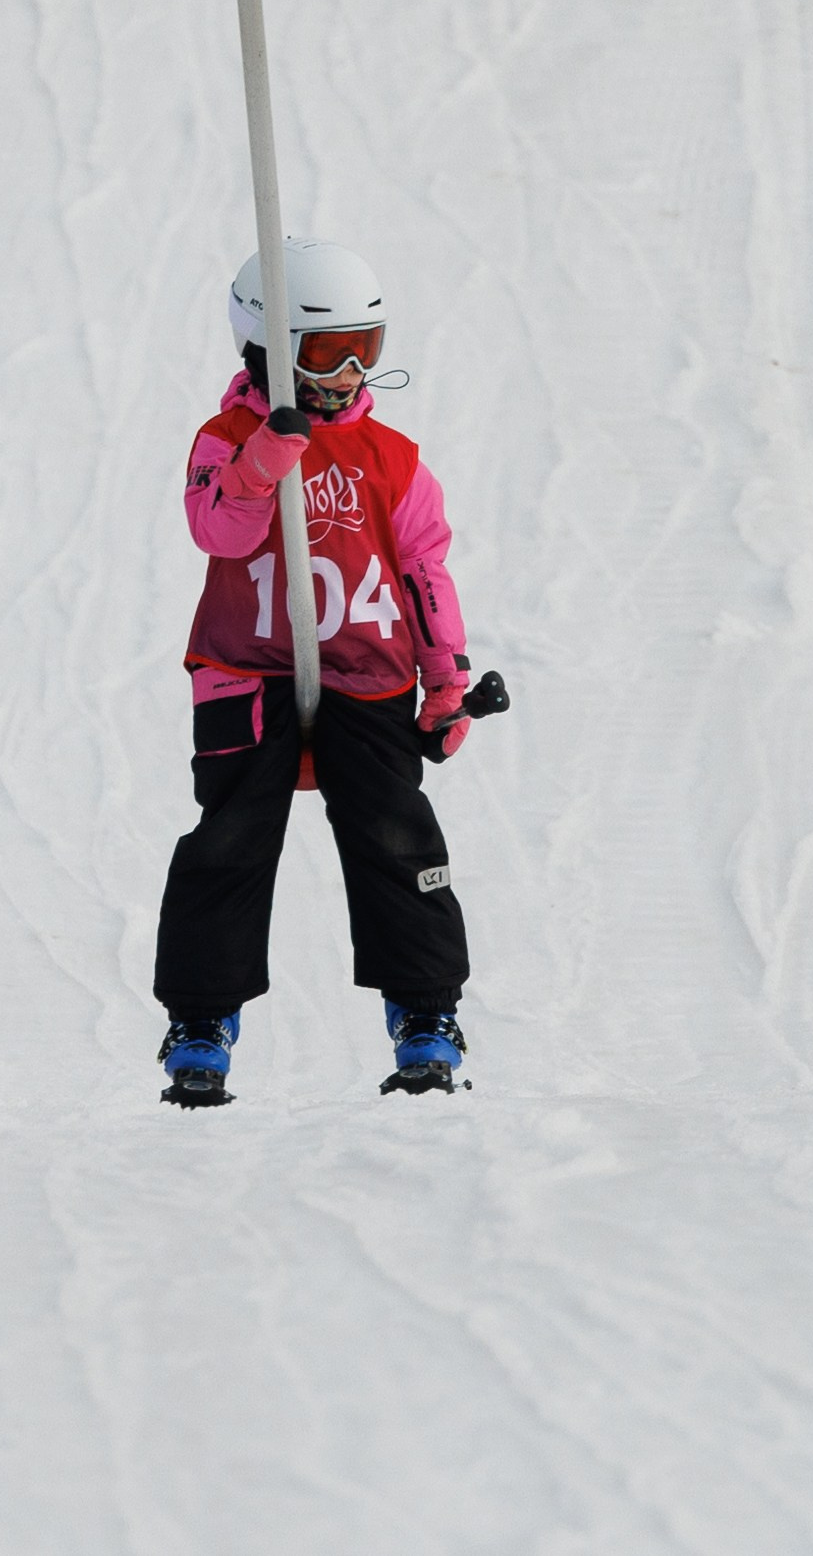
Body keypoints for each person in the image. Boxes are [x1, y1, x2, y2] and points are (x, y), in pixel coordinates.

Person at [153, 237, 485, 1106]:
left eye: (364, 350)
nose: (346, 372)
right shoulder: (221, 439)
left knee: (394, 831)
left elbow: (424, 569)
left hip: (367, 670)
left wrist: (445, 679)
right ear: (266, 348)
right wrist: (263, 461)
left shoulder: (395, 458)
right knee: (231, 837)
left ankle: (424, 1011)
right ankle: (200, 1021)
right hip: (244, 668)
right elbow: (217, 533)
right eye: (324, 351)